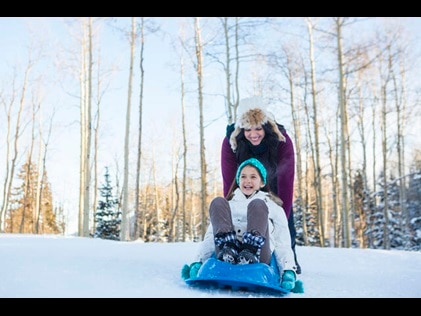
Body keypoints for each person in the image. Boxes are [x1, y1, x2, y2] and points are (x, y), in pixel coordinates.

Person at [182, 158, 298, 290]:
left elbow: (282, 242)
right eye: (243, 176)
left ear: (262, 182)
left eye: (253, 177)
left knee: (258, 205)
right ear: (238, 181)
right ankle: (229, 248)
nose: (247, 180)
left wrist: (288, 270)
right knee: (218, 202)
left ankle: (250, 252)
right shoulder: (228, 205)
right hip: (226, 251)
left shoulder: (273, 207)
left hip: (260, 254)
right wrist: (198, 261)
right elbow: (210, 237)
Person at [221, 97, 301, 274]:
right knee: (243, 219)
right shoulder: (231, 142)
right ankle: (238, 254)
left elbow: (286, 183)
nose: (253, 133)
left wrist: (281, 219)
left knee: (282, 226)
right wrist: (230, 209)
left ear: (266, 125)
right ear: (241, 128)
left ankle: (288, 262)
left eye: (258, 128)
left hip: (274, 187)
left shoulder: (282, 140)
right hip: (245, 184)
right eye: (248, 129)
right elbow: (230, 182)